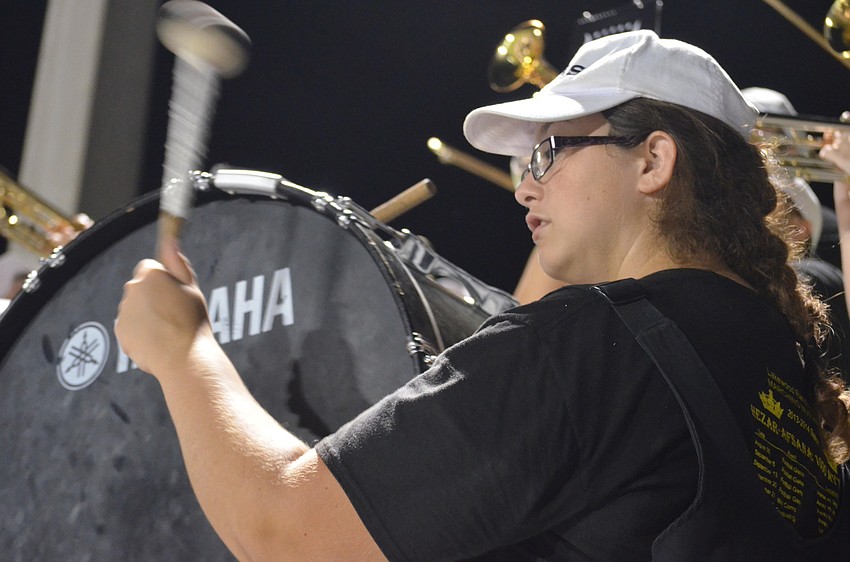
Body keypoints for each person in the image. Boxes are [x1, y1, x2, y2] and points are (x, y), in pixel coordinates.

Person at [115, 30, 850, 560]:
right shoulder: (774, 357)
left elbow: (282, 532)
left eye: (551, 151)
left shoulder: (592, 349)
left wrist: (185, 353)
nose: (526, 184)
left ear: (654, 160)